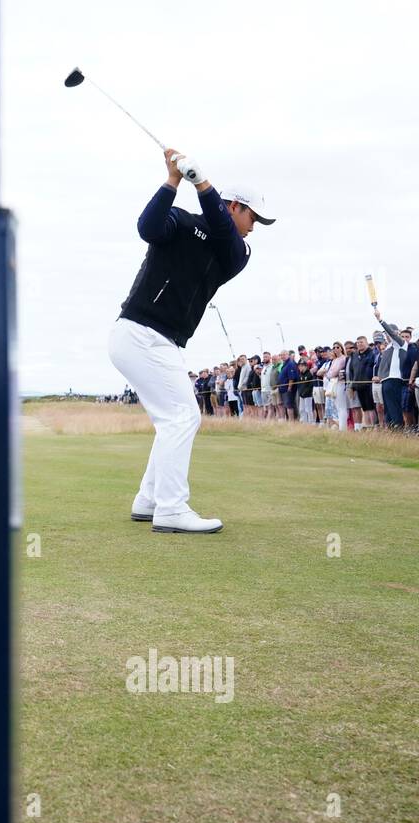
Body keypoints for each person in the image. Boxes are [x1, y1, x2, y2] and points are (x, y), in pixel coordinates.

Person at [107, 147, 275, 533]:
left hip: (155, 340)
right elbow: (147, 228)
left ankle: (149, 500)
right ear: (235, 207)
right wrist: (173, 181)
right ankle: (170, 509)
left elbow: (220, 233)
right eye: (252, 216)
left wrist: (203, 184)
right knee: (182, 417)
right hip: (140, 332)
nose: (254, 226)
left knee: (174, 419)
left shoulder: (236, 251)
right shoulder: (180, 223)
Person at [371, 309, 408, 428]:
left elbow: (392, 334)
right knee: (387, 406)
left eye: (388, 333)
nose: (387, 335)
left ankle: (398, 428)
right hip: (385, 380)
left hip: (395, 379)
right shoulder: (387, 348)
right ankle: (391, 428)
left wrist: (380, 320)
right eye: (385, 334)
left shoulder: (400, 343)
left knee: (394, 406)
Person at [346, 335, 378, 429]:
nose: (359, 344)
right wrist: (352, 386)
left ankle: (374, 427)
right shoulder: (355, 355)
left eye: (362, 342)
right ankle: (368, 427)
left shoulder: (372, 354)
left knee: (371, 408)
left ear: (366, 343)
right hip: (358, 386)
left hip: (369, 385)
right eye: (358, 342)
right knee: (365, 409)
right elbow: (352, 372)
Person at [323, 342, 349, 429]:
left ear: (341, 348)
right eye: (334, 347)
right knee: (337, 406)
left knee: (342, 407)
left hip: (341, 383)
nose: (335, 349)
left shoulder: (343, 359)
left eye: (337, 347)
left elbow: (333, 372)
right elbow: (329, 372)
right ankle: (341, 426)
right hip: (334, 384)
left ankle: (343, 428)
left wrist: (329, 373)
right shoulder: (334, 360)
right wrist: (329, 373)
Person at [277, 349, 299, 420]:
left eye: (284, 355)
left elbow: (291, 377)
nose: (282, 356)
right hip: (282, 389)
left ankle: (292, 421)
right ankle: (288, 420)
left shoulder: (290, 363)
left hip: (288, 389)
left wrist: (289, 387)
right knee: (285, 405)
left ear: (288, 355)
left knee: (289, 405)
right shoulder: (284, 364)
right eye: (281, 355)